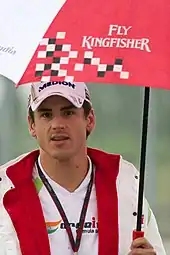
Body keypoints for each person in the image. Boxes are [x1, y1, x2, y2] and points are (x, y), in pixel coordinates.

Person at [0, 80, 166, 255]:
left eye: (68, 112)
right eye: (46, 114)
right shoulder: (5, 188)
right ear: (32, 124)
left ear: (90, 120)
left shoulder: (124, 183)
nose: (57, 124)